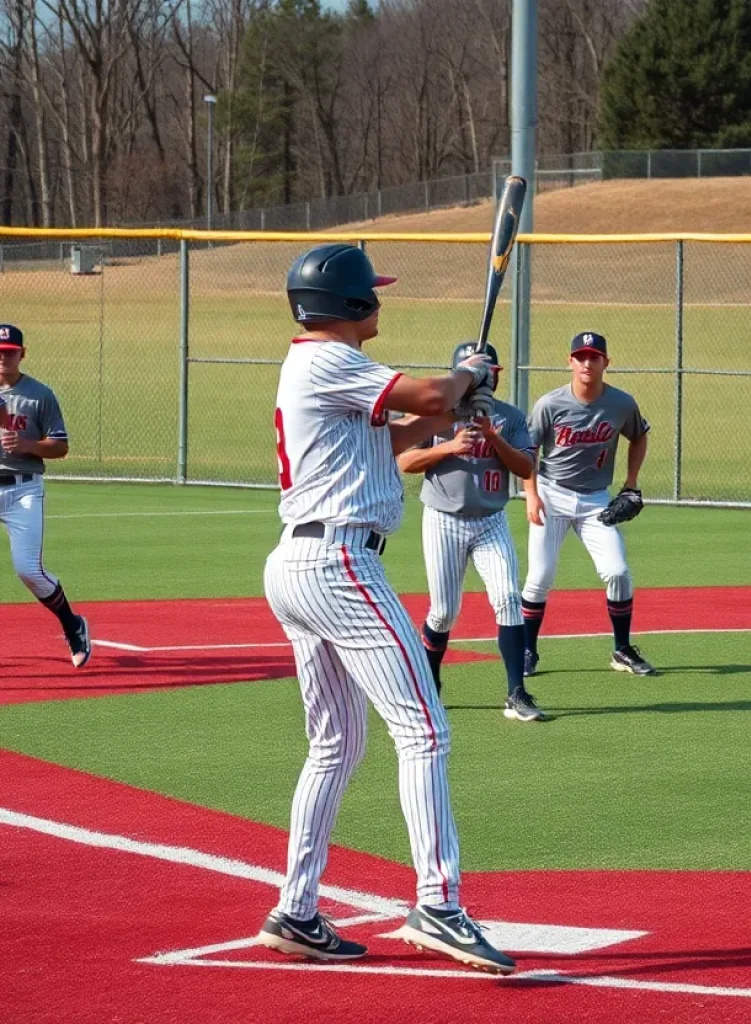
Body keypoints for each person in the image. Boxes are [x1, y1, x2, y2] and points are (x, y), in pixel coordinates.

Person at [257, 243, 514, 975]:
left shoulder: (321, 366)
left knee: (336, 745)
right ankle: (438, 902)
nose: (380, 300)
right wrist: (467, 375)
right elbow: (426, 395)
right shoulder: (327, 359)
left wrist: (459, 410)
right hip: (339, 563)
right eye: (371, 292)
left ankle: (296, 910)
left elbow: (398, 434)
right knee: (424, 730)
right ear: (350, 304)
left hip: (301, 563)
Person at [397, 341, 545, 722]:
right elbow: (405, 461)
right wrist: (450, 447)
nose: (483, 381)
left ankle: (516, 692)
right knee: (444, 613)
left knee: (508, 598)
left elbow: (526, 468)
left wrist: (493, 437)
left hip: (490, 520)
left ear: (496, 376)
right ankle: (430, 684)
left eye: (488, 374)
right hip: (443, 518)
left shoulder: (510, 417)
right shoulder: (437, 416)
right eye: (475, 373)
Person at [521, 331, 656, 677]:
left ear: (605, 362)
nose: (586, 363)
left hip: (595, 499)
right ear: (570, 361)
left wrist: (631, 483)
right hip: (552, 494)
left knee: (618, 572)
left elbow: (639, 435)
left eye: (594, 357)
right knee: (539, 576)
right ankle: (527, 650)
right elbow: (528, 451)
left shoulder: (621, 403)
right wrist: (531, 493)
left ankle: (622, 649)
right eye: (580, 357)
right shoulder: (550, 404)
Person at [0, 324, 91, 668]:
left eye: (10, 351)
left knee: (28, 569)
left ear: (22, 354)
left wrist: (27, 445)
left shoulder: (39, 395)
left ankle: (72, 624)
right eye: (0, 352)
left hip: (23, 489)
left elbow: (60, 446)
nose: (4, 357)